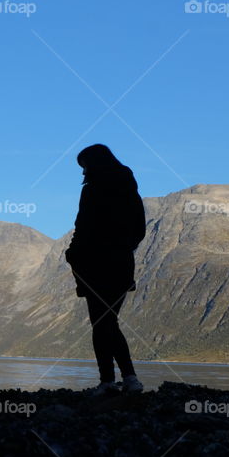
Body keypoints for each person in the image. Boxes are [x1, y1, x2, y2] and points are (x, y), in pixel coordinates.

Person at [65, 144, 146, 396]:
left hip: (94, 266)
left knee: (101, 323)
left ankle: (109, 381)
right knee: (109, 321)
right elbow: (139, 228)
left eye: (84, 167)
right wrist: (124, 248)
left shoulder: (91, 191)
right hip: (121, 265)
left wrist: (73, 254)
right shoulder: (129, 189)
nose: (83, 174)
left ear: (94, 165)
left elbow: (83, 226)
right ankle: (129, 379)